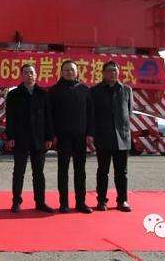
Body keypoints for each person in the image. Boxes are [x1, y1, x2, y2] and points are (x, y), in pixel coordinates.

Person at [5, 63, 55, 213]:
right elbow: (10, 118)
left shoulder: (43, 93)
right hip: (20, 138)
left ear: (36, 75)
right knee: (18, 171)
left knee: (38, 173)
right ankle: (16, 201)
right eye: (26, 72)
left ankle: (40, 202)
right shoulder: (14, 94)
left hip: (39, 138)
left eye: (31, 72)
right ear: (21, 75)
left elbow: (49, 117)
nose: (29, 75)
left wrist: (49, 137)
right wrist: (10, 136)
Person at [49, 60, 93, 214]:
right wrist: (52, 135)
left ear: (77, 72)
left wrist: (90, 133)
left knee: (80, 171)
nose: (69, 72)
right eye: (66, 70)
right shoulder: (54, 91)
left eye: (72, 70)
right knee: (63, 171)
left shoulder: (84, 90)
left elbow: (91, 114)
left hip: (80, 137)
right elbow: (50, 116)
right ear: (61, 72)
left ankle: (81, 203)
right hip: (62, 137)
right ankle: (64, 203)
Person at [88, 60, 133, 212]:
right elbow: (92, 115)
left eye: (115, 70)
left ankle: (122, 200)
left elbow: (128, 112)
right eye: (108, 70)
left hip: (122, 137)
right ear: (103, 73)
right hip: (103, 136)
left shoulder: (126, 90)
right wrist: (91, 134)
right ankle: (101, 200)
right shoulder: (95, 91)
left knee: (122, 172)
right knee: (103, 171)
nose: (112, 73)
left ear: (119, 72)